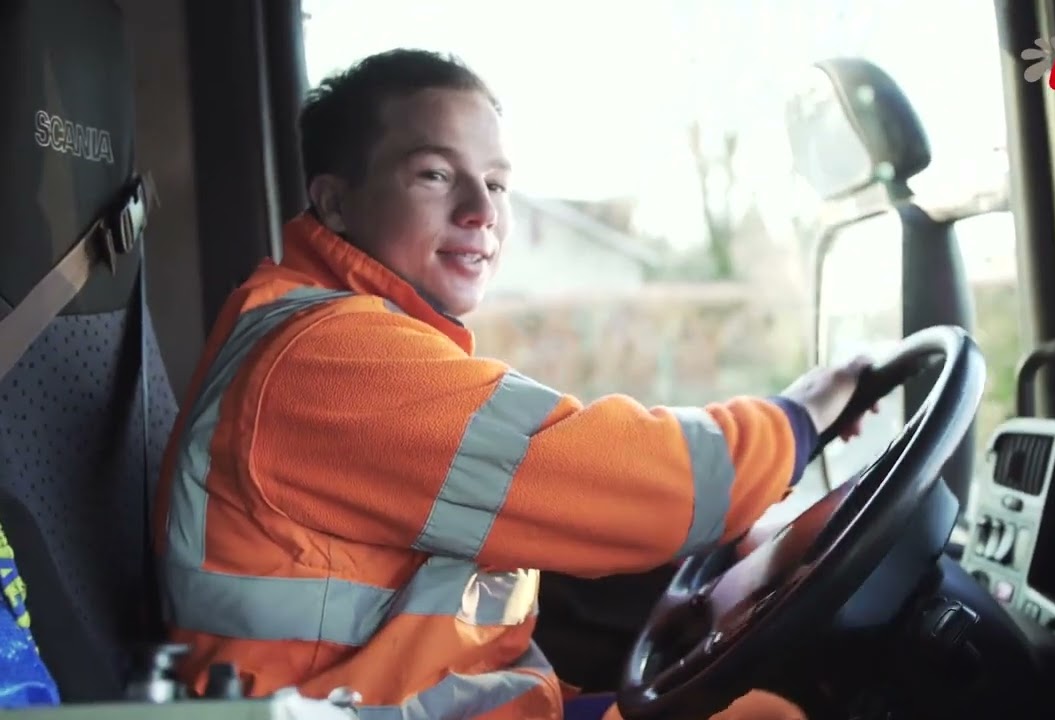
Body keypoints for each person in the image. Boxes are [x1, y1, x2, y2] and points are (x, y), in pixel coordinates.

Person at [152, 48, 878, 720]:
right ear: (336, 204)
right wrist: (797, 418)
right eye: (435, 174)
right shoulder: (326, 358)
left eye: (495, 182)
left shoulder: (343, 334)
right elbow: (613, 473)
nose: (481, 210)